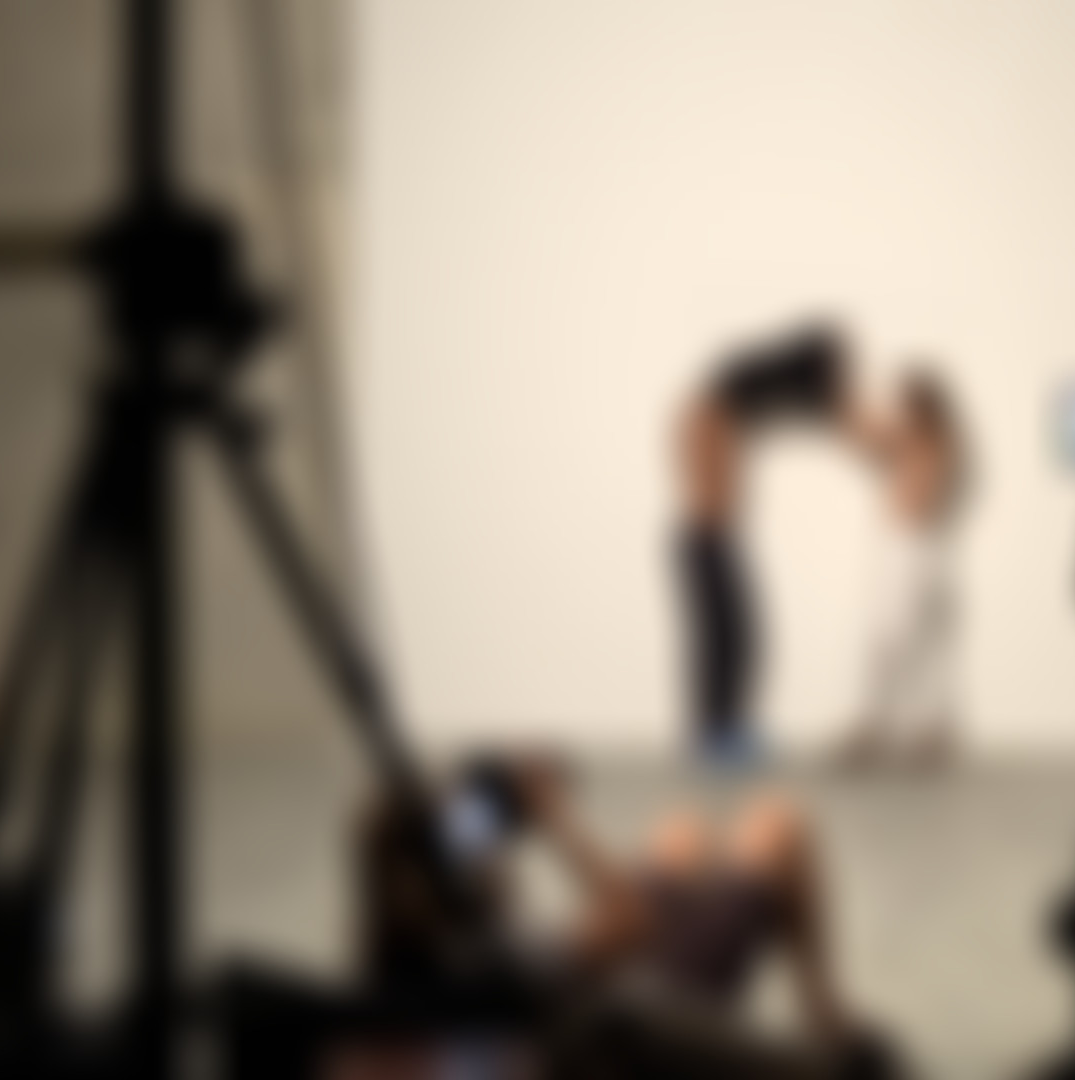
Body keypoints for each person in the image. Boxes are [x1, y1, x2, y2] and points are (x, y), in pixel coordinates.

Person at [354, 753, 857, 1062]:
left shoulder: (415, 967)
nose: (488, 844)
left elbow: (388, 842)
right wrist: (557, 819)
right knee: (779, 824)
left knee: (680, 830)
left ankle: (822, 1011)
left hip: (610, 971)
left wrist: (458, 837)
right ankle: (823, 1014)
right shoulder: (495, 963)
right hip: (658, 1000)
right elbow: (630, 921)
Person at [674, 321, 854, 771]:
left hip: (716, 538)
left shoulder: (723, 407)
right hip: (706, 538)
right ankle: (714, 736)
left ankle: (725, 728)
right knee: (725, 639)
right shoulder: (709, 408)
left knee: (738, 638)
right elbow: (706, 481)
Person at [835, 367, 973, 771]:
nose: (902, 408)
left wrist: (841, 396)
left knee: (893, 639)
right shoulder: (936, 439)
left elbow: (866, 434)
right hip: (921, 546)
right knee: (915, 641)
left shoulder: (929, 439)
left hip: (913, 547)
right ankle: (918, 730)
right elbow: (863, 437)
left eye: (908, 401)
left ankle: (883, 728)